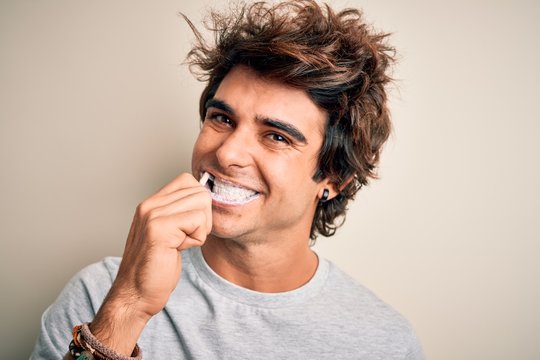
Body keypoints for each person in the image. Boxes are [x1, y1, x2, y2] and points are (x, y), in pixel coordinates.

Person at [31, 1, 424, 359]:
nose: (226, 154)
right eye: (222, 119)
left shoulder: (383, 342)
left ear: (334, 177)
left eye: (276, 136)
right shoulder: (100, 294)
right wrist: (129, 305)